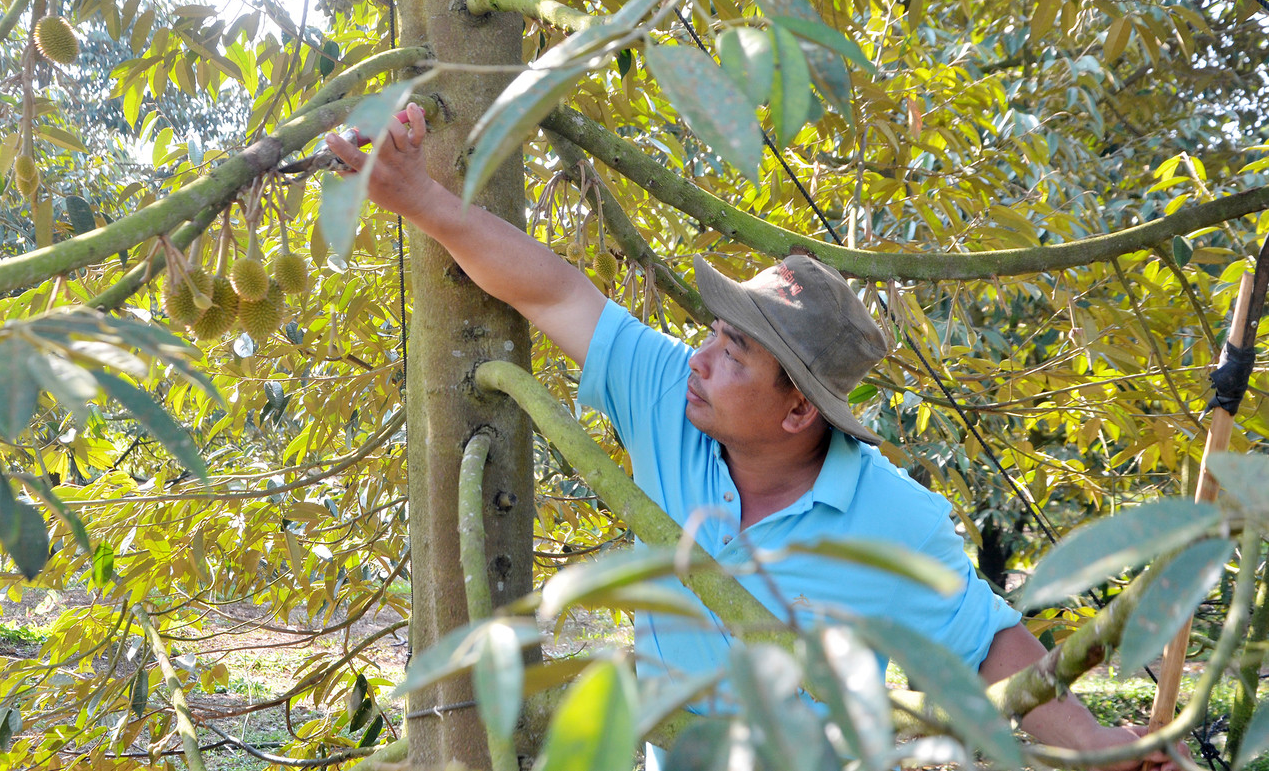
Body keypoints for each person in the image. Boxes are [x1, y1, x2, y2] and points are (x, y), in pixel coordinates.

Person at [325, 104, 1187, 771]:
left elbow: (992, 647)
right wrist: (423, 199)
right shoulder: (673, 395)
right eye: (713, 332)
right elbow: (552, 292)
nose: (701, 356)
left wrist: (1095, 746)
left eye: (734, 350)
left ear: (797, 411)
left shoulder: (891, 517)